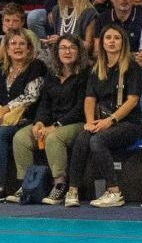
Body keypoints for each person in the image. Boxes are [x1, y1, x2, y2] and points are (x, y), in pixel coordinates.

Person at [68, 23, 142, 208]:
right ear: (101, 43)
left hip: (128, 123)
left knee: (97, 141)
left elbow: (132, 100)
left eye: (116, 38)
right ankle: (73, 190)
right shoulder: (96, 69)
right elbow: (89, 99)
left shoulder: (132, 67)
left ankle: (114, 192)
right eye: (108, 38)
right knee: (83, 136)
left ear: (123, 42)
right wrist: (89, 122)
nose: (112, 42)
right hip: (102, 119)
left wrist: (110, 121)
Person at [12, 34, 88, 206]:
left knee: (54, 138)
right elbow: (44, 104)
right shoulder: (51, 76)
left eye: (71, 48)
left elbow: (80, 108)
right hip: (51, 122)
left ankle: (59, 185)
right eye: (63, 48)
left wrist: (56, 126)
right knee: (21, 137)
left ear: (79, 52)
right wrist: (39, 122)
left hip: (76, 123)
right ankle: (26, 184)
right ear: (57, 52)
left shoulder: (85, 75)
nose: (67, 51)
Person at [0, 30, 46, 202]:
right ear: (6, 48)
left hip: (26, 118)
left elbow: (31, 96)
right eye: (13, 44)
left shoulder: (36, 67)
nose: (17, 47)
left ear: (29, 48)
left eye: (22, 44)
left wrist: (4, 109)